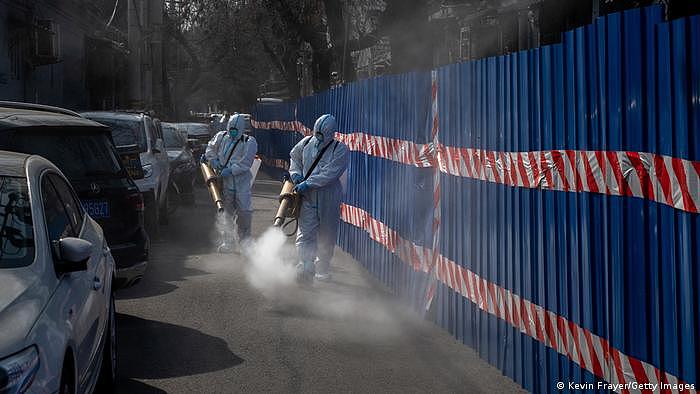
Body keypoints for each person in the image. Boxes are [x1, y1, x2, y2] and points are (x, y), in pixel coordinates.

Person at [289, 114, 349, 281]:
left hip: (328, 197)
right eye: (317, 132)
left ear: (331, 133)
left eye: (323, 133)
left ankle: (322, 268)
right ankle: (305, 263)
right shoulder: (307, 142)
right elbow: (295, 158)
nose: (319, 136)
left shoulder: (340, 149)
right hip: (308, 196)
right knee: (305, 231)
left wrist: (309, 183)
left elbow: (330, 173)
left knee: (326, 234)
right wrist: (296, 175)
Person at [205, 113, 258, 253]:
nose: (233, 131)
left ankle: (245, 242)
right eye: (231, 128)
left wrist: (231, 170)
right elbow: (210, 149)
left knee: (244, 213)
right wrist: (213, 160)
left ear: (241, 129)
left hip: (241, 184)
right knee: (226, 213)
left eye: (236, 129)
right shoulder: (221, 137)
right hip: (226, 183)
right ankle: (227, 242)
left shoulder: (249, 142)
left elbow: (246, 162)